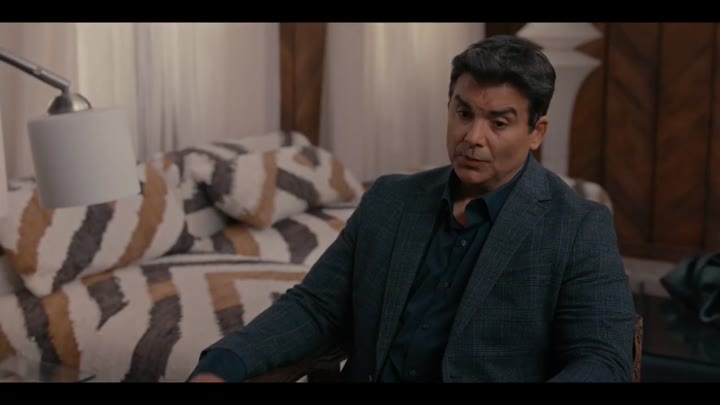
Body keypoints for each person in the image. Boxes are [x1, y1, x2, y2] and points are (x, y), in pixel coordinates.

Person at [188, 34, 637, 383]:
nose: (473, 137)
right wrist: (222, 365)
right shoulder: (391, 200)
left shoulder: (579, 226)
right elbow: (317, 306)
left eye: (498, 123)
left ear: (536, 132)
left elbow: (602, 360)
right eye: (463, 113)